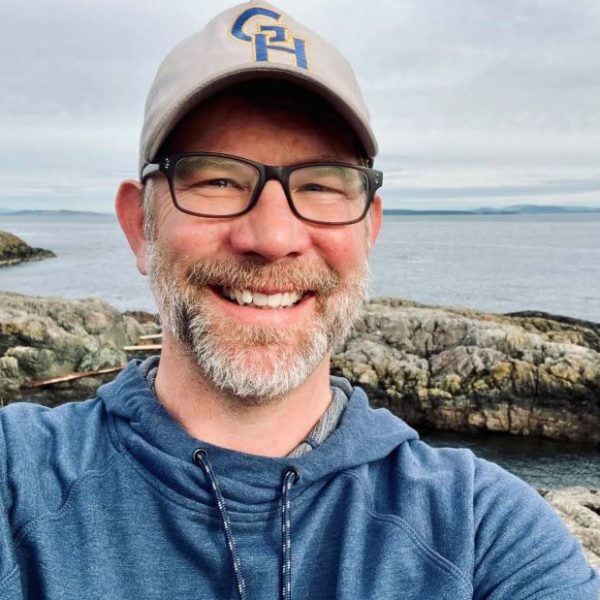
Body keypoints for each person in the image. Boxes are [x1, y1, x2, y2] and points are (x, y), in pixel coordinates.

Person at [0, 3, 597, 599]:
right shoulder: (16, 481)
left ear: (369, 229)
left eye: (319, 186)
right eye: (217, 179)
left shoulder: (481, 531)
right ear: (139, 226)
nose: (273, 239)